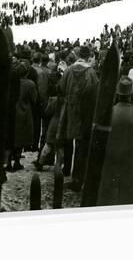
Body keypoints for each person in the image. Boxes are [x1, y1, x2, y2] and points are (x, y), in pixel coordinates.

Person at [97, 77, 133, 206]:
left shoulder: (107, 113)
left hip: (110, 161)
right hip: (132, 161)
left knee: (109, 198)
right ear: (131, 94)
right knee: (130, 197)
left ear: (117, 94)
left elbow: (100, 141)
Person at [58, 44, 98, 191]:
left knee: (68, 140)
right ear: (88, 56)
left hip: (70, 111)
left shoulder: (69, 70)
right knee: (81, 145)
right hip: (84, 114)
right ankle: (78, 177)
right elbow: (94, 92)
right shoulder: (91, 72)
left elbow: (61, 87)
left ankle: (66, 169)